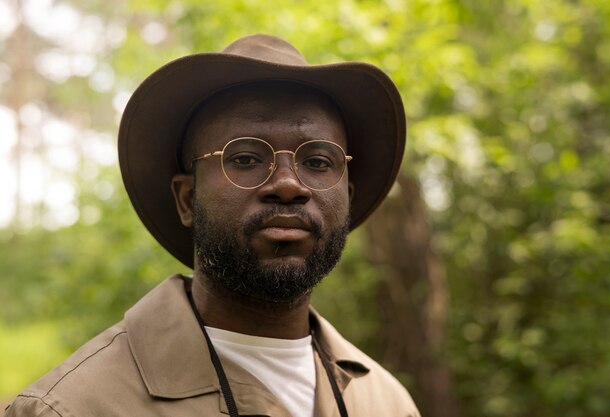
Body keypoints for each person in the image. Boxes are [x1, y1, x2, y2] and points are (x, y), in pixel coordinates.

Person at [4, 34, 419, 417]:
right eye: (244, 159)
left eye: (317, 162)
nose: (289, 185)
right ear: (187, 199)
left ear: (346, 195)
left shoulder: (386, 402)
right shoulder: (73, 407)